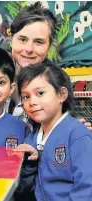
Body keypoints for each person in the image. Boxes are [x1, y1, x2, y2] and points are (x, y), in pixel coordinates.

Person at [0, 2, 92, 130]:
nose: (29, 49)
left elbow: (64, 122)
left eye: (39, 42)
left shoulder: (58, 79)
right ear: (11, 39)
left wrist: (75, 127)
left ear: (49, 46)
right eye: (22, 39)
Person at [14, 61, 92, 201]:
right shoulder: (30, 140)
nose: (32, 102)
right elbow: (23, 192)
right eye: (26, 96)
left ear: (62, 94)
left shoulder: (78, 135)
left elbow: (86, 188)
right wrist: (28, 165)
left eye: (40, 93)